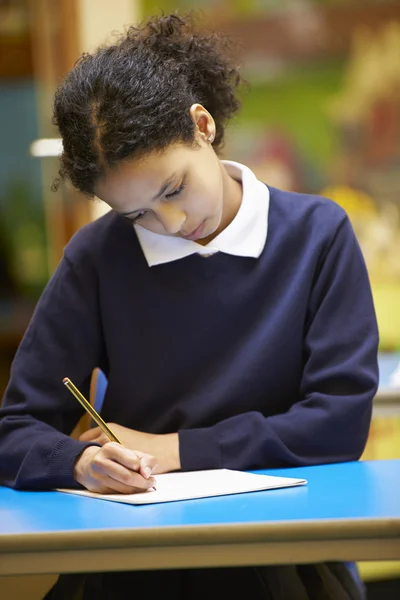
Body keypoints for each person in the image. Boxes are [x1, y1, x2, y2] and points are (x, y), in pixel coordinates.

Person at [0, 12, 378, 600]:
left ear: (202, 125)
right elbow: (16, 431)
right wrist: (78, 462)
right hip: (133, 559)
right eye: (137, 213)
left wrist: (173, 450)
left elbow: (337, 424)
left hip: (283, 553)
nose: (171, 223)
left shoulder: (316, 233)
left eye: (173, 189)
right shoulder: (98, 257)